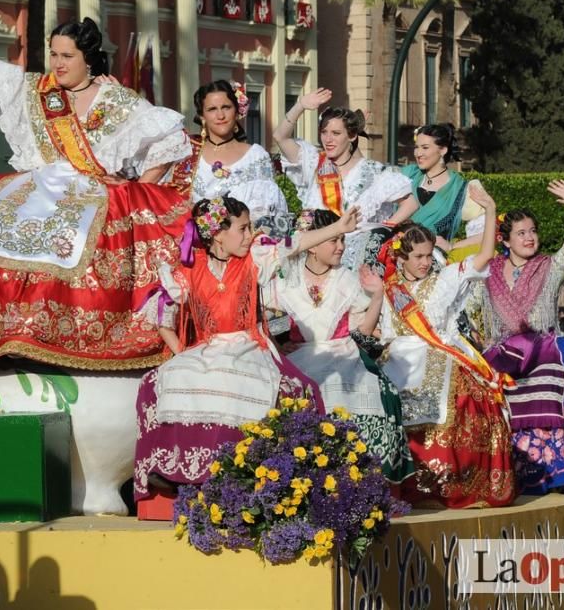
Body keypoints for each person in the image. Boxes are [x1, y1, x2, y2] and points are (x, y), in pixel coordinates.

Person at [0, 0, 192, 370]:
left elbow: (166, 143)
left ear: (89, 59)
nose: (58, 64)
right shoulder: (34, 90)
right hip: (37, 185)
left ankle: (72, 334)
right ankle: (2, 330)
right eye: (53, 54)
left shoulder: (118, 100)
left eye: (67, 56)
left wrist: (137, 189)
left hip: (94, 193)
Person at [133, 197, 358, 504]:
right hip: (207, 347)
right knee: (158, 381)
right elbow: (163, 316)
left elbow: (295, 244)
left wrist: (337, 227)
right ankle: (175, 467)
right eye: (243, 227)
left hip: (248, 344)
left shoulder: (254, 257)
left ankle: (234, 470)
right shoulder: (191, 267)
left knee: (233, 379)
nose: (250, 233)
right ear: (218, 233)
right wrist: (180, 352)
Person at [468, 180, 564, 495]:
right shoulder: (487, 274)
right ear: (506, 240)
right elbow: (469, 312)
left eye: (533, 231)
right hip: (506, 360)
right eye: (521, 233)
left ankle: (562, 475)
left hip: (549, 352)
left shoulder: (549, 266)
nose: (529, 238)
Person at [376, 204, 515, 508]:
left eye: (429, 255)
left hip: (439, 351)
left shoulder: (444, 279)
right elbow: (383, 332)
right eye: (418, 257)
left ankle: (452, 485)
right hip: (398, 357)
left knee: (466, 398)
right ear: (401, 257)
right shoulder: (388, 290)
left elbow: (483, 256)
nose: (426, 262)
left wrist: (490, 211)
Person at [272, 209, 414, 483]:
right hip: (300, 355)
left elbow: (364, 332)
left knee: (370, 385)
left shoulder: (347, 279)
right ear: (312, 246)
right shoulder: (284, 280)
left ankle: (357, 473)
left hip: (342, 351)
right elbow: (267, 324)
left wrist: (378, 296)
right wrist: (280, 346)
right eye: (334, 240)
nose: (341, 247)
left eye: (343, 241)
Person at [276, 89, 415, 269]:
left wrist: (383, 230)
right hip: (314, 252)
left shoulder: (374, 171)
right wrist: (300, 105)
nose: (328, 139)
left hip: (354, 259)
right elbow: (280, 136)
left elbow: (410, 203)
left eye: (336, 133)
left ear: (352, 136)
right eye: (324, 132)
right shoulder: (313, 162)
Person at [182, 80, 289, 235]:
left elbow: (272, 214)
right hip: (198, 251)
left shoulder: (256, 156)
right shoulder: (188, 156)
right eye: (212, 109)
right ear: (202, 116)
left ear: (237, 111)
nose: (220, 115)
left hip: (248, 249)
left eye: (226, 107)